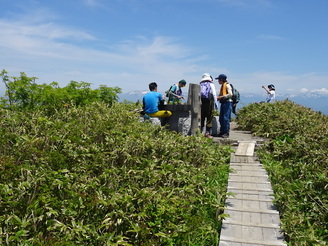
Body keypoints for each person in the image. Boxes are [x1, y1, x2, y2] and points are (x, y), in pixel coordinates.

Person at [199, 73, 218, 138]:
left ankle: (200, 132)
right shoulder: (211, 84)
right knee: (209, 118)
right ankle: (207, 133)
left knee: (202, 117)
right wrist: (216, 104)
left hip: (201, 102)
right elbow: (214, 94)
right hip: (209, 102)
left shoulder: (200, 84)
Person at [215, 74, 233, 138]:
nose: (218, 81)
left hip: (228, 102)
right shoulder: (222, 86)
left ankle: (226, 132)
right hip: (223, 102)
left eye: (219, 80)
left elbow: (230, 94)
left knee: (226, 118)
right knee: (221, 118)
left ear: (221, 80)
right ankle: (222, 131)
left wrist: (221, 96)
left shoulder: (227, 85)